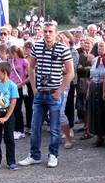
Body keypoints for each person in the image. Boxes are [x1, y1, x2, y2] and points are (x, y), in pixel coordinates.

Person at [18, 22, 74, 168]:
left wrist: (59, 91)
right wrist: (34, 87)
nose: (48, 34)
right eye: (45, 31)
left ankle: (53, 155)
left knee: (54, 128)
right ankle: (34, 155)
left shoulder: (63, 49)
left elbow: (70, 73)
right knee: (35, 126)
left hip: (54, 93)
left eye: (50, 31)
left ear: (55, 33)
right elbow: (31, 68)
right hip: (40, 94)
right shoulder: (37, 46)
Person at [0, 61, 18, 172]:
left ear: (4, 72)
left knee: (9, 138)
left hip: (8, 114)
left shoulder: (12, 86)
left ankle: (11, 161)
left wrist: (6, 117)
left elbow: (13, 102)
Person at [8, 45, 30, 140]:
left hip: (19, 86)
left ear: (14, 53)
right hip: (11, 86)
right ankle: (14, 129)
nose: (8, 55)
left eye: (9, 53)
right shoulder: (10, 61)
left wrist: (21, 84)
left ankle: (20, 130)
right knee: (12, 109)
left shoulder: (24, 61)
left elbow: (30, 75)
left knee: (17, 108)